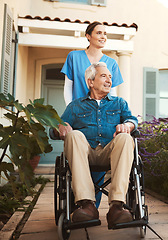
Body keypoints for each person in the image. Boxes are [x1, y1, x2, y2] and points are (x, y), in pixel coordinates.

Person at [56, 62, 137, 227]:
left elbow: (132, 119)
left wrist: (127, 125)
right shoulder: (75, 106)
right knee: (74, 135)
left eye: (110, 77)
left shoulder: (119, 103)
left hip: (110, 153)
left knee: (125, 138)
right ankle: (87, 205)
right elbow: (58, 125)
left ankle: (117, 206)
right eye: (104, 76)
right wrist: (60, 125)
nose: (109, 80)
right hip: (84, 155)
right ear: (90, 82)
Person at [61, 21, 124, 207]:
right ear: (88, 36)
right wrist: (71, 113)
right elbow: (68, 88)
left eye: (105, 33)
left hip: (102, 117)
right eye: (99, 32)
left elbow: (115, 94)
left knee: (98, 169)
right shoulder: (74, 57)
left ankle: (91, 208)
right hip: (79, 117)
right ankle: (80, 203)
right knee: (78, 163)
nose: (103, 36)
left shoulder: (111, 63)